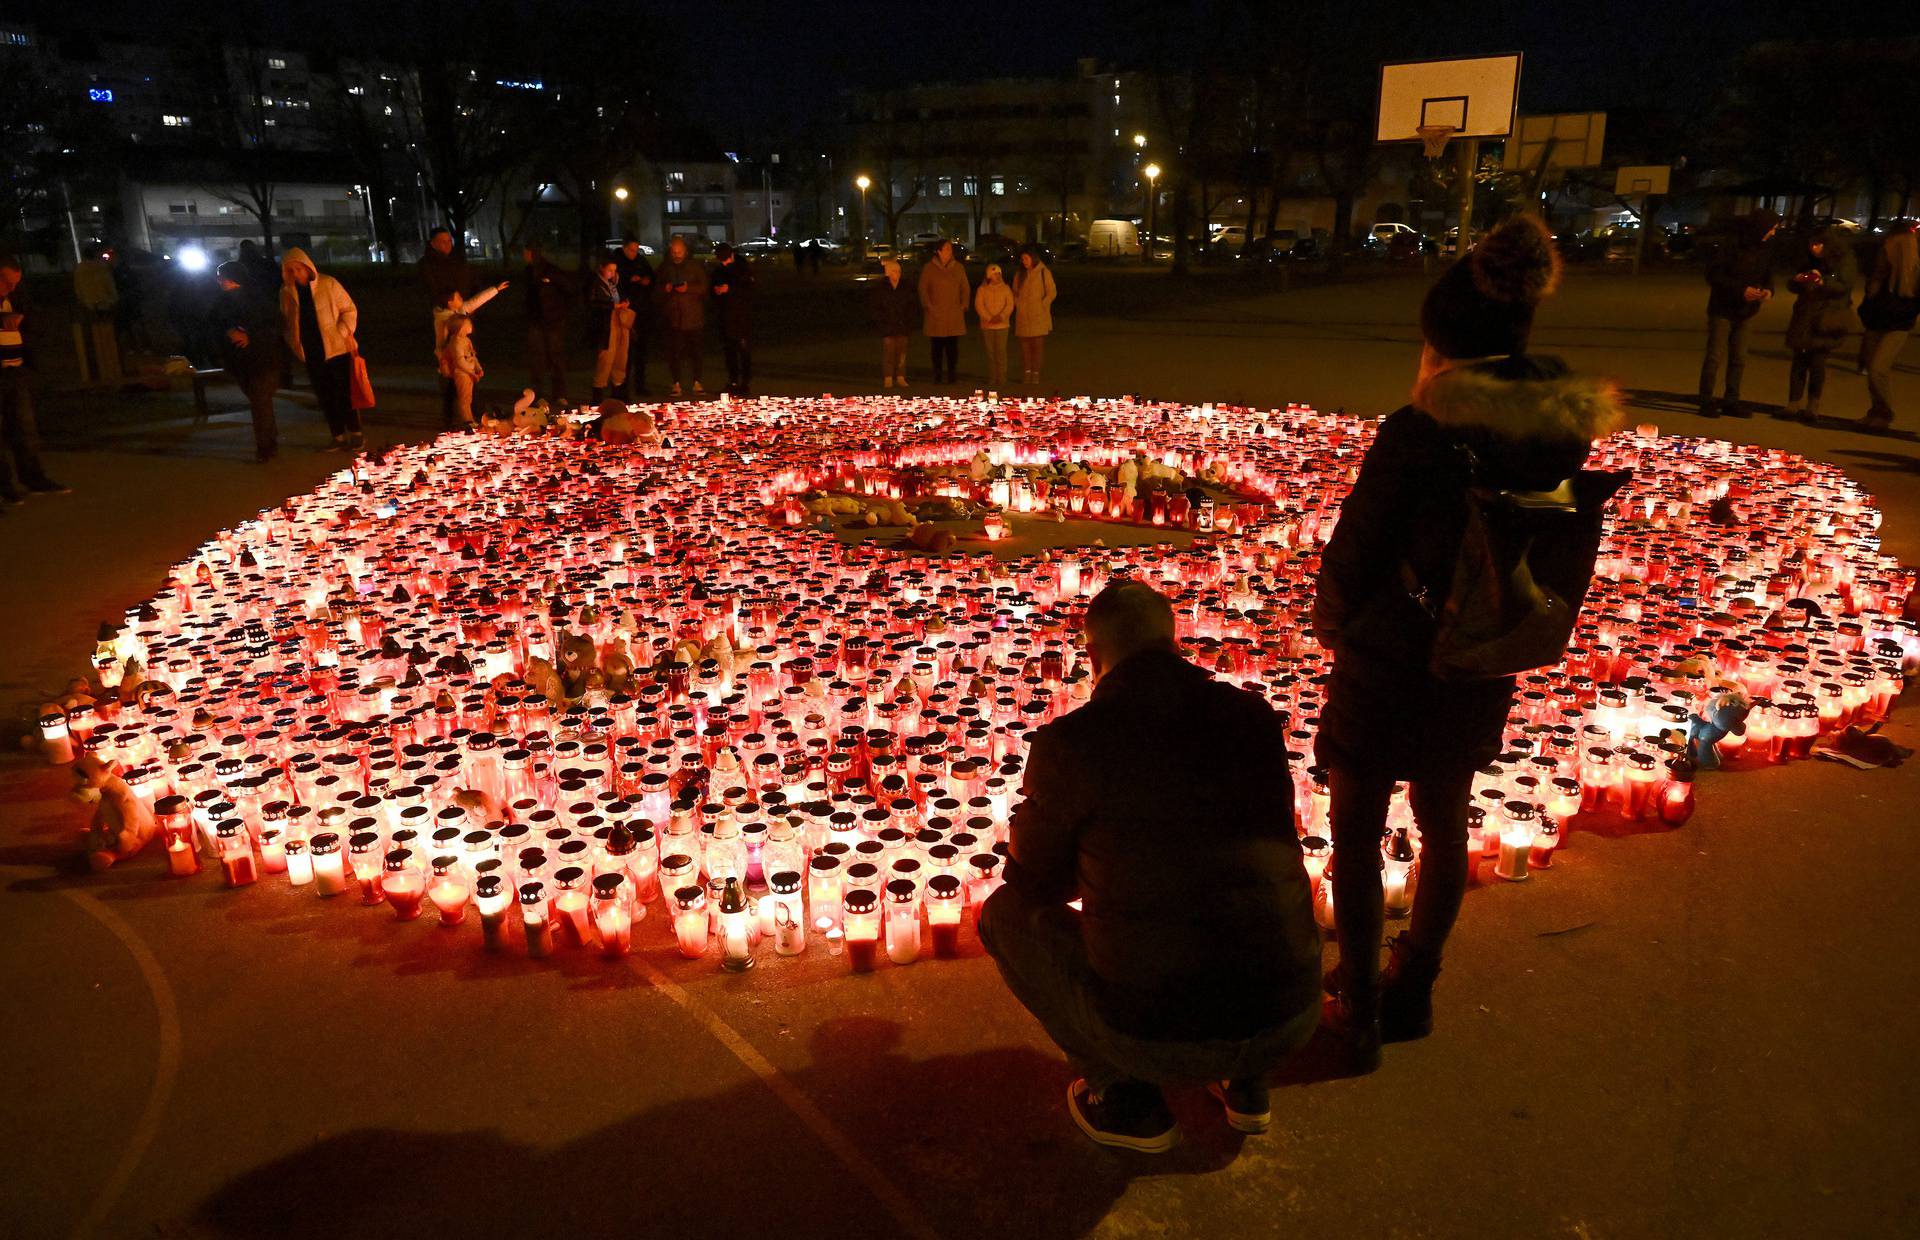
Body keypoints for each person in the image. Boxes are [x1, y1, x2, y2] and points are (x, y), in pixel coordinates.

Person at [1312, 215, 1620, 1069]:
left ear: (1441, 353)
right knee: (1444, 821)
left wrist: (1334, 624)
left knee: (1357, 833)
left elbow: (1357, 547)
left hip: (1389, 659)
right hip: (1482, 654)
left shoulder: (1417, 435)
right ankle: (1417, 989)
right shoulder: (1554, 433)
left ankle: (1360, 1004)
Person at [979, 581, 1320, 1152]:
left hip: (1159, 1033)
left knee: (1004, 917)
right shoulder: (1252, 717)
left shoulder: (1076, 742)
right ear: (1173, 640)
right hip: (1289, 1014)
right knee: (1239, 896)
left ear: (1091, 656)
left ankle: (1125, 1094)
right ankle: (1246, 1081)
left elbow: (1031, 879)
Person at [0, 254, 71, 504]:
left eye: (15, 283)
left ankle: (33, 477)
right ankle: (6, 486)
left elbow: (34, 323)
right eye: (5, 282)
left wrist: (21, 321)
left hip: (15, 370)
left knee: (24, 427)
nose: (10, 288)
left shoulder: (15, 297)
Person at [277, 247, 362, 450]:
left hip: (336, 348)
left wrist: (342, 331)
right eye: (291, 270)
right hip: (311, 349)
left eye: (298, 268)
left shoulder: (328, 284)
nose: (296, 274)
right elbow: (287, 322)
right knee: (324, 394)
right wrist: (295, 343)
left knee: (344, 393)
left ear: (307, 267)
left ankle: (356, 432)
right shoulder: (286, 292)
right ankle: (337, 434)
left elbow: (348, 309)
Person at [1697, 209, 1778, 418]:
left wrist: (1768, 290)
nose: (1773, 233)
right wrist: (1741, 290)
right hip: (1722, 308)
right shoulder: (1731, 244)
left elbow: (1768, 274)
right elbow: (1714, 275)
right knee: (1715, 356)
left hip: (1747, 310)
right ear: (1761, 228)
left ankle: (1731, 400)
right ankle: (1706, 400)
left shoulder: (1766, 248)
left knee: (1739, 357)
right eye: (1772, 229)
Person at [1781, 227, 1858, 425]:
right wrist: (1798, 280)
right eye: (1811, 244)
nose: (1813, 248)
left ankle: (1813, 405)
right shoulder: (1808, 259)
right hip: (1805, 314)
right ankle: (1793, 402)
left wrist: (1823, 282)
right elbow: (1792, 284)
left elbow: (1845, 286)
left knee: (1817, 362)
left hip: (1827, 316)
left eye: (1818, 244)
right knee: (1798, 360)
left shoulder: (1844, 259)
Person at [211, 260, 286, 461]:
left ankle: (265, 446)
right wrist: (229, 331)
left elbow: (274, 324)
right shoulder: (222, 301)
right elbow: (215, 324)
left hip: (262, 358)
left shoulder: (257, 298)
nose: (219, 280)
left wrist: (249, 334)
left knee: (260, 401)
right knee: (259, 400)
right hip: (240, 361)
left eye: (222, 276)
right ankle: (270, 438)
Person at [1857, 220, 1918, 431]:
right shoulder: (1881, 263)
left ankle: (1885, 413)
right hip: (1876, 320)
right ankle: (1875, 411)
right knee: (1871, 367)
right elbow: (1870, 288)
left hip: (1897, 324)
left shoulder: (1912, 274)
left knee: (1878, 369)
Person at [433, 278, 509, 428]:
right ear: (450, 302)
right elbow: (441, 344)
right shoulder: (444, 321)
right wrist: (443, 362)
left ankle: (471, 418)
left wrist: (495, 289)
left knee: (464, 392)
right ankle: (462, 421)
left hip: (462, 362)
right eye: (458, 297)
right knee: (454, 392)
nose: (462, 298)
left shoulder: (458, 312)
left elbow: (475, 301)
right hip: (452, 363)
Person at [653, 236, 709, 397]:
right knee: (674, 353)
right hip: (674, 318)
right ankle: (676, 382)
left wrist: (688, 288)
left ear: (685, 251)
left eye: (679, 252)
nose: (677, 255)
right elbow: (656, 290)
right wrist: (666, 288)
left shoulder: (694, 266)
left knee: (696, 352)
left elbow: (704, 286)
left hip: (693, 317)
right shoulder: (665, 268)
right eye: (674, 252)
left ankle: (697, 381)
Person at [522, 243, 572, 405]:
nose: (524, 256)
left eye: (526, 253)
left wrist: (559, 312)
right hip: (536, 322)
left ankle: (560, 394)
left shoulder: (551, 270)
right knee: (538, 359)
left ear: (532, 253)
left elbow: (568, 290)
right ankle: (539, 395)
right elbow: (527, 296)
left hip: (553, 321)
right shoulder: (528, 272)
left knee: (556, 358)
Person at [918, 239, 970, 383]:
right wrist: (928, 305)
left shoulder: (958, 268)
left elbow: (965, 287)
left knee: (952, 346)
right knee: (937, 346)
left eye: (950, 249)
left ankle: (952, 373)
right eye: (946, 249)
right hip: (936, 313)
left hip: (954, 312)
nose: (949, 251)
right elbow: (923, 289)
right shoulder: (929, 268)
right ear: (939, 251)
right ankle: (938, 373)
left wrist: (964, 304)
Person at [584, 256, 632, 404]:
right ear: (602, 268)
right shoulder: (595, 283)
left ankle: (618, 389)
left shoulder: (613, 284)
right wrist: (612, 306)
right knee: (606, 358)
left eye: (614, 270)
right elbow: (592, 303)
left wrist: (624, 302)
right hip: (606, 324)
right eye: (610, 269)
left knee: (621, 356)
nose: (612, 273)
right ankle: (598, 392)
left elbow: (618, 296)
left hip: (619, 321)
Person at [709, 242, 755, 396]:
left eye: (726, 260)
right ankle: (733, 381)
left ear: (731, 256)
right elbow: (712, 287)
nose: (724, 264)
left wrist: (731, 289)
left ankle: (745, 383)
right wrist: (716, 290)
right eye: (721, 261)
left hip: (741, 317)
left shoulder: (742, 267)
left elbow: (749, 289)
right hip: (725, 316)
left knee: (744, 352)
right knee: (729, 352)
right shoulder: (719, 270)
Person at [613, 236, 655, 397]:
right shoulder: (617, 262)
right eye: (631, 249)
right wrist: (629, 281)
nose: (634, 253)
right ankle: (621, 387)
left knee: (641, 351)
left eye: (637, 249)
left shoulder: (641, 261)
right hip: (626, 311)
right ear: (624, 247)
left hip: (642, 311)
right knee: (625, 353)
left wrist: (646, 280)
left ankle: (640, 384)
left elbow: (651, 277)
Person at [1013, 247, 1058, 385]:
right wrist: (1018, 304)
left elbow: (1052, 292)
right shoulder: (1020, 274)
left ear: (1033, 258)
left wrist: (1042, 304)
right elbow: (1014, 292)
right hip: (1023, 317)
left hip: (1038, 316)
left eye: (1026, 258)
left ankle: (1036, 373)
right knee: (1025, 348)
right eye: (1022, 259)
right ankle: (1027, 372)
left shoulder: (1044, 272)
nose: (1024, 262)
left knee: (1037, 348)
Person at [871, 258, 918, 387]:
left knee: (901, 354)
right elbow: (877, 308)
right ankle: (888, 377)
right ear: (888, 273)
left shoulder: (905, 287)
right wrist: (881, 323)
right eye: (894, 271)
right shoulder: (882, 288)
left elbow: (911, 306)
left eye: (898, 271)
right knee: (889, 353)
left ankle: (901, 376)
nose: (896, 274)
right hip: (887, 326)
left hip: (903, 326)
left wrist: (909, 323)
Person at [439, 314, 484, 429]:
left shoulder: (466, 340)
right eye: (468, 324)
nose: (470, 326)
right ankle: (467, 421)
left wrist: (478, 368)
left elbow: (472, 356)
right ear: (460, 327)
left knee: (468, 397)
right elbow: (459, 362)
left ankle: (470, 419)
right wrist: (472, 373)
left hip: (469, 372)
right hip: (462, 373)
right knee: (464, 398)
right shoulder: (456, 343)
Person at [974, 262, 1014, 389]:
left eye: (999, 274)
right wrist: (989, 318)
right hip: (987, 325)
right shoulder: (982, 290)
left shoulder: (1006, 289)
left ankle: (1001, 376)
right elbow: (979, 305)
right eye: (994, 274)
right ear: (988, 276)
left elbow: (1010, 305)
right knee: (990, 352)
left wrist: (1001, 317)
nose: (997, 276)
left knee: (1001, 351)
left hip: (1002, 326)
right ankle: (992, 376)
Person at [419, 228, 469, 308]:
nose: (448, 244)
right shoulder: (426, 265)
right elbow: (429, 291)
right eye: (443, 242)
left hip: (463, 307)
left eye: (449, 241)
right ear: (433, 244)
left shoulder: (457, 260)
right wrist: (448, 301)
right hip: (443, 312)